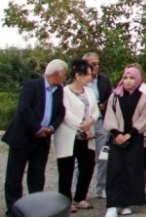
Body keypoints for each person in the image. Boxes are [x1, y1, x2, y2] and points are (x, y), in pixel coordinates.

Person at [3, 59, 66, 216]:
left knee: (37, 176)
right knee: (15, 175)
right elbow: (24, 110)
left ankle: (35, 208)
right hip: (23, 137)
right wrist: (37, 129)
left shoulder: (59, 90)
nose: (65, 77)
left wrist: (50, 128)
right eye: (64, 74)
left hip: (43, 139)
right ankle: (14, 209)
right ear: (56, 74)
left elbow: (61, 111)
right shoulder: (32, 86)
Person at [103, 66, 146, 218]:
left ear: (137, 80)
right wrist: (117, 133)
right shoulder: (115, 96)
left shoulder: (142, 97)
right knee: (115, 169)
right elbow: (109, 116)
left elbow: (144, 118)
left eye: (131, 78)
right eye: (126, 78)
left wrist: (129, 134)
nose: (128, 81)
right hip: (116, 138)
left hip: (134, 138)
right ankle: (112, 205)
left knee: (132, 170)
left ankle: (126, 203)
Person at [55, 59, 99, 212]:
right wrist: (82, 126)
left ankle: (80, 197)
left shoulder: (90, 92)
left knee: (87, 167)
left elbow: (96, 110)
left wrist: (91, 121)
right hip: (69, 136)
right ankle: (65, 201)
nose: (90, 77)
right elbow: (66, 113)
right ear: (77, 75)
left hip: (86, 138)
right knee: (66, 169)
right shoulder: (64, 92)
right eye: (87, 74)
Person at [81, 52, 112, 200]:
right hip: (83, 123)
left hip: (100, 121)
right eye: (93, 64)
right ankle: (79, 191)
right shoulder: (78, 80)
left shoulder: (104, 80)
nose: (97, 67)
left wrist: (103, 105)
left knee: (103, 156)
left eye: (98, 63)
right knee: (82, 158)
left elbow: (110, 97)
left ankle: (101, 188)